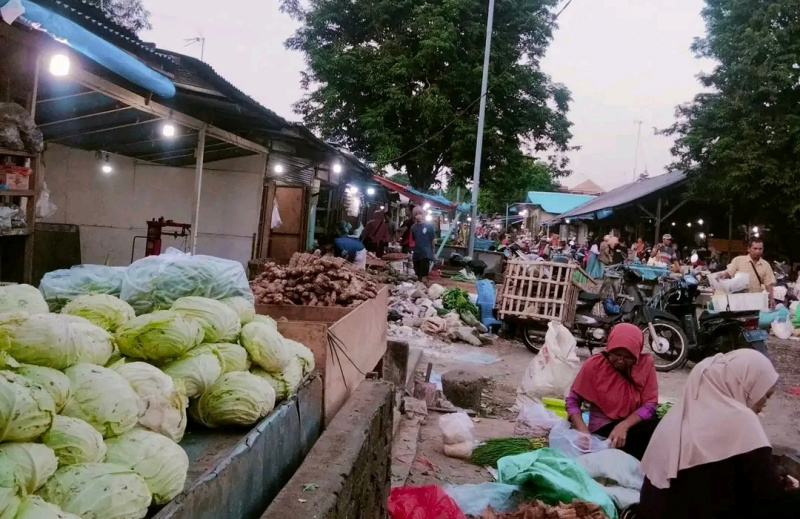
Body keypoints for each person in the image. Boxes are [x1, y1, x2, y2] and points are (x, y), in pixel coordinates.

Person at [633, 350, 800, 519]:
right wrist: (786, 484)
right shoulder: (741, 420)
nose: (765, 403)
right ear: (747, 386)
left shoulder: (676, 417)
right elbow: (766, 492)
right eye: (766, 395)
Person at [566, 323, 659, 461]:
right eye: (616, 354)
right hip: (604, 431)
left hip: (632, 424)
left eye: (628, 357)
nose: (621, 360)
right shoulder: (595, 365)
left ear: (637, 355)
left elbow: (650, 404)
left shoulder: (645, 365)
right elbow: (572, 400)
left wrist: (624, 425)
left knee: (662, 430)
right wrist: (582, 429)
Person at [718, 237, 776, 308]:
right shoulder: (738, 260)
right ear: (748, 249)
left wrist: (771, 298)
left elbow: (769, 284)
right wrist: (723, 275)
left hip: (756, 301)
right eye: (755, 248)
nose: (757, 251)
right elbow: (729, 272)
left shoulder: (766, 265)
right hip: (738, 301)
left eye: (760, 249)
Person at [410, 206, 436, 281]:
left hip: (425, 254)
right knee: (417, 275)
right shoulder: (413, 227)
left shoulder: (429, 226)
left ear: (423, 214)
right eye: (416, 214)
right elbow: (413, 240)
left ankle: (423, 288)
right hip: (416, 254)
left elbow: (432, 240)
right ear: (414, 216)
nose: (418, 216)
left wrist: (433, 252)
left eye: (420, 214)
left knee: (424, 276)